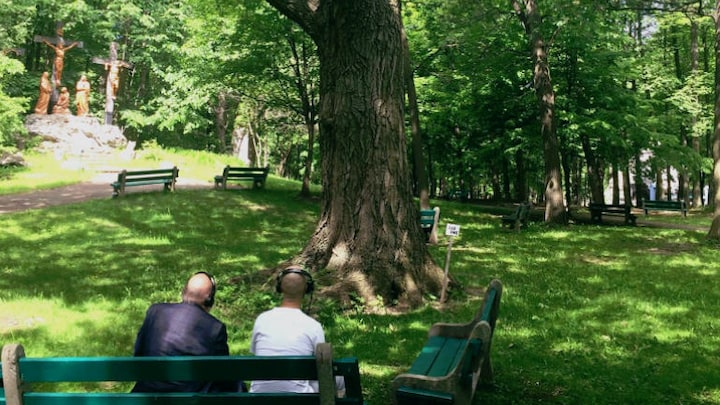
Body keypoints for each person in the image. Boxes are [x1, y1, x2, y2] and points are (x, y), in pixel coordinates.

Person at [132, 271, 242, 393]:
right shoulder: (214, 328)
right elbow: (224, 375)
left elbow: (139, 354)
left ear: (184, 292)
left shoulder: (155, 311)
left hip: (147, 396)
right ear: (209, 300)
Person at [250, 266, 344, 394]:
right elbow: (322, 367)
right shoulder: (313, 326)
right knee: (341, 380)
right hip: (300, 398)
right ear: (307, 289)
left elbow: (256, 353)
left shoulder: (262, 319)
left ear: (279, 287)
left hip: (259, 396)